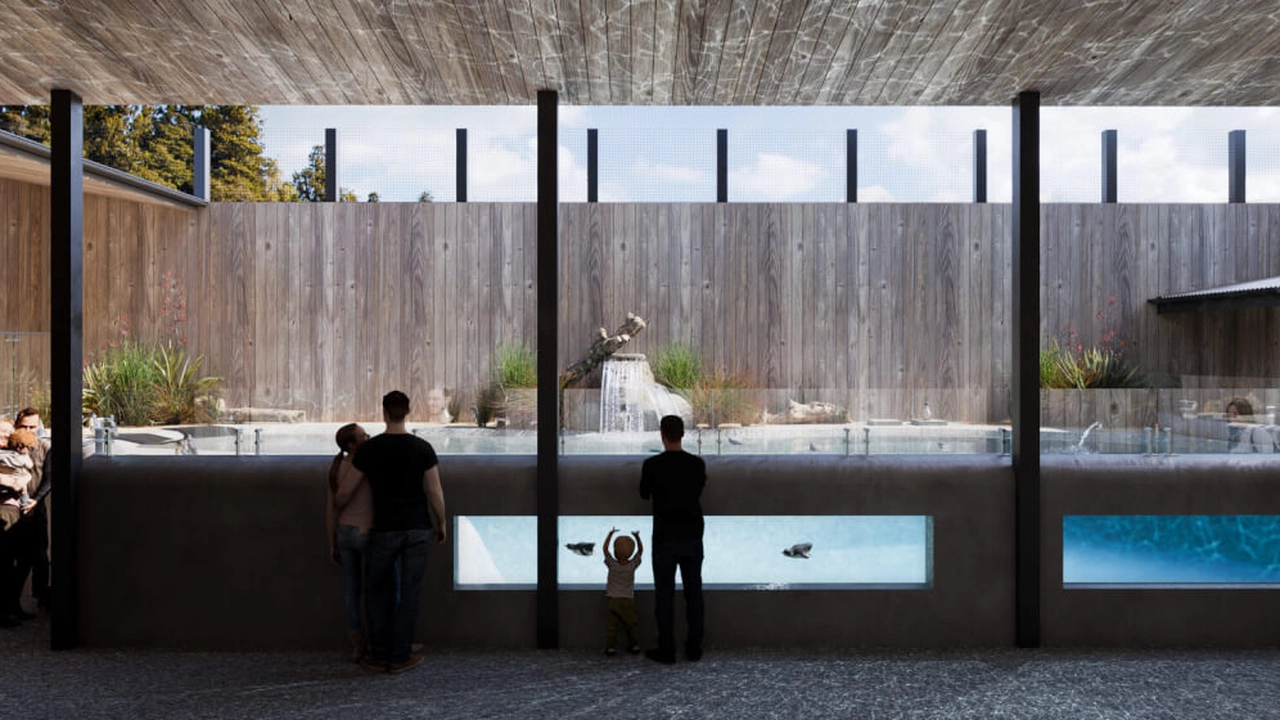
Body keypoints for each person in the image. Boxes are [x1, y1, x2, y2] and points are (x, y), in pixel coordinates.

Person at [353, 391, 447, 674]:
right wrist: (441, 522)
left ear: (384, 412)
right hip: (417, 527)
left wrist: (337, 508)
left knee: (376, 592)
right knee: (410, 593)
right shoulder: (422, 448)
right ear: (408, 411)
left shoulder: (370, 450)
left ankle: (379, 654)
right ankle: (399, 656)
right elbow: (434, 490)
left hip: (383, 529)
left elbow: (347, 489)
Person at [639, 415, 706, 664]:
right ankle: (693, 648)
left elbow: (644, 493)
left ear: (662, 435)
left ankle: (666, 650)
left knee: (664, 596)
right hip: (692, 534)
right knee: (694, 593)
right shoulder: (697, 464)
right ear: (683, 434)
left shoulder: (652, 465)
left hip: (665, 536)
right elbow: (698, 490)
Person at [326, 422, 372, 661]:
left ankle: (357, 644)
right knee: (375, 589)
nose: (368, 436)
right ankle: (378, 640)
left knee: (351, 591)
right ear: (353, 444)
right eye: (363, 435)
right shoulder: (367, 467)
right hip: (367, 532)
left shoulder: (336, 468)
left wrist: (332, 541)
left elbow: (331, 509)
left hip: (344, 533)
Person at [12, 408, 51, 611]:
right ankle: (12, 603)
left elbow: (48, 478)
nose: (28, 430)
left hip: (36, 507)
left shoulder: (44, 447)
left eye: (32, 427)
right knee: (19, 558)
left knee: (40, 555)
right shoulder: (9, 447)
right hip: (12, 508)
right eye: (24, 426)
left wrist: (36, 501)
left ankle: (42, 595)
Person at [0, 427, 37, 627]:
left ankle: (12, 606)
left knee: (22, 559)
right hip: (5, 509)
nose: (7, 436)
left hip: (15, 509)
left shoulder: (10, 456)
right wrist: (17, 481)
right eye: (2, 433)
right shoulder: (8, 457)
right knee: (6, 562)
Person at [601, 526, 643, 657]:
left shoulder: (612, 565)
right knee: (631, 625)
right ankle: (634, 645)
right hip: (628, 600)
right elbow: (640, 552)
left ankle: (610, 648)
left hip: (612, 599)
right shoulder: (632, 566)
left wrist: (609, 534)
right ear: (631, 552)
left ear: (615, 551)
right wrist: (637, 537)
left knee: (611, 627)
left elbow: (604, 550)